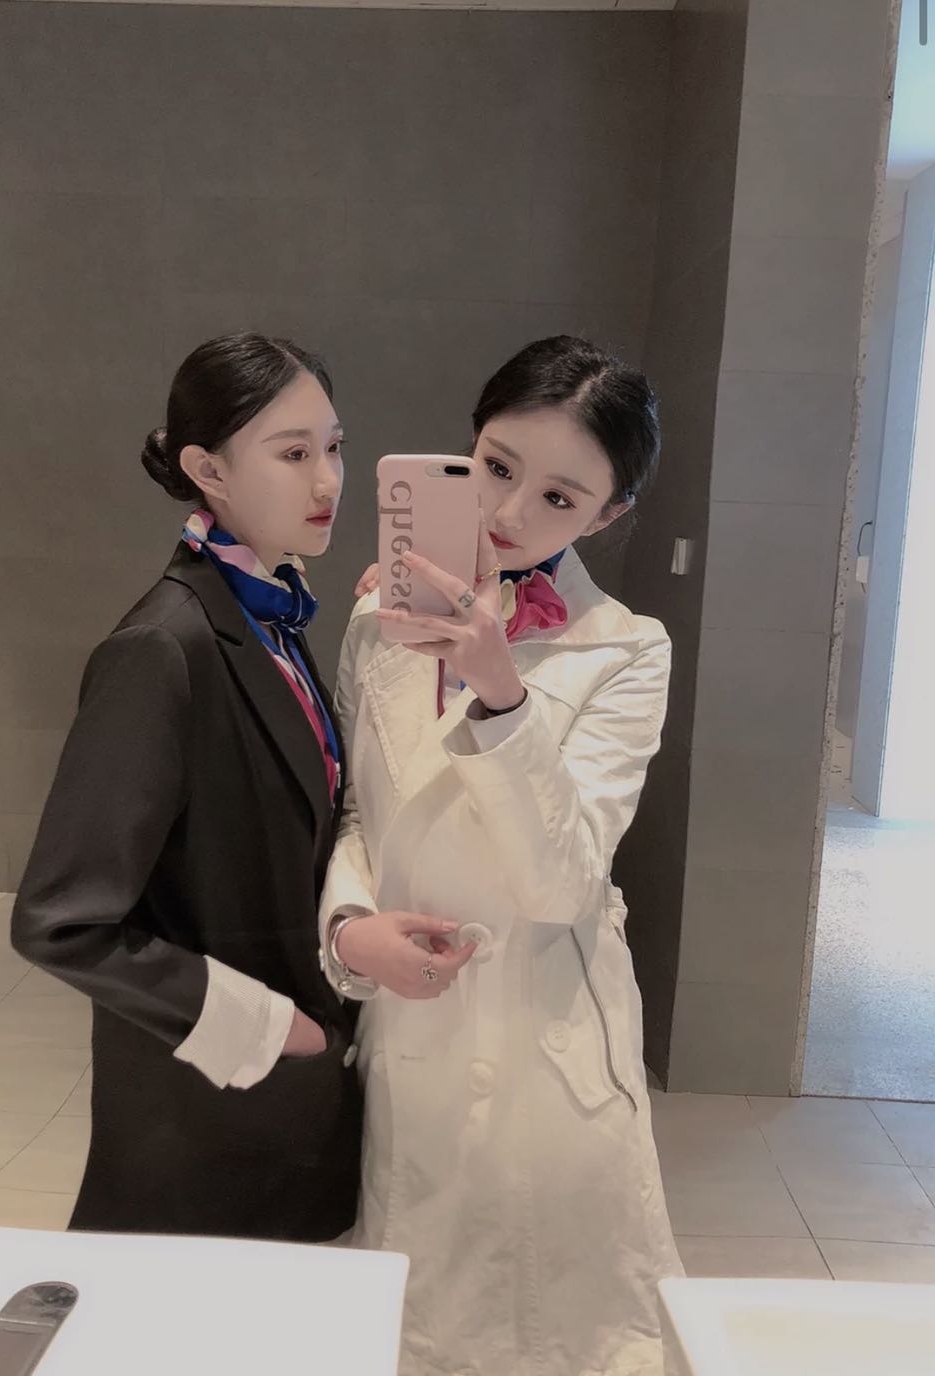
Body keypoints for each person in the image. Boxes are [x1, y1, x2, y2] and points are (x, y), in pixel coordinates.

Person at [320, 335, 683, 1375]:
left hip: (546, 1050)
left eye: (560, 497)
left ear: (606, 515)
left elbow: (562, 880)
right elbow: (357, 812)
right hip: (415, 1039)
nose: (510, 511)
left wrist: (501, 692)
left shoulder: (626, 650)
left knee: (560, 1339)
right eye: (497, 465)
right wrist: (348, 930)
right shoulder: (374, 622)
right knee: (413, 1333)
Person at [12, 331, 361, 1240]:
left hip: (285, 1105)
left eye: (334, 447)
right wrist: (271, 1031)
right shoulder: (161, 648)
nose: (328, 480)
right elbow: (60, 921)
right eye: (293, 453)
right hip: (204, 1113)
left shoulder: (271, 614)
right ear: (209, 470)